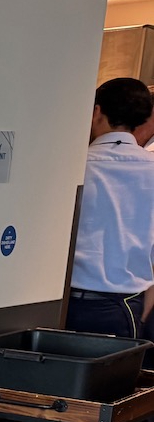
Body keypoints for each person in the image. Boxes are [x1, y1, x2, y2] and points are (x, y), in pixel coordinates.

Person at [67, 77, 154, 340]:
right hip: (125, 306)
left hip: (67, 302)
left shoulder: (74, 166)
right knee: (113, 381)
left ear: (96, 112)